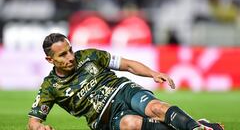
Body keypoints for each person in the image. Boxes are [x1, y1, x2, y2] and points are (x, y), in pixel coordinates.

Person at [28, 33, 223, 130]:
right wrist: (39, 128)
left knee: (157, 108)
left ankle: (197, 129)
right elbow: (34, 121)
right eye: (63, 54)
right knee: (132, 124)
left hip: (123, 91)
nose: (71, 57)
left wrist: (152, 73)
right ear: (50, 60)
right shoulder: (49, 87)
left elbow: (127, 65)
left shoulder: (89, 55)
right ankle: (198, 124)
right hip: (104, 118)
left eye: (70, 50)